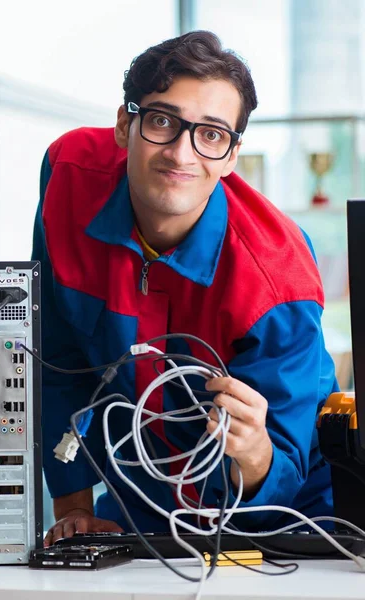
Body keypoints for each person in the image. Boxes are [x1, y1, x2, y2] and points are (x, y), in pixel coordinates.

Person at [31, 30, 338, 546]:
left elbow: (287, 464)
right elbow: (58, 358)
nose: (181, 153)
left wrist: (256, 451)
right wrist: (75, 509)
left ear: (232, 154)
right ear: (125, 124)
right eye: (163, 121)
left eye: (212, 134)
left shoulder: (277, 274)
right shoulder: (68, 175)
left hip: (283, 521)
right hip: (140, 510)